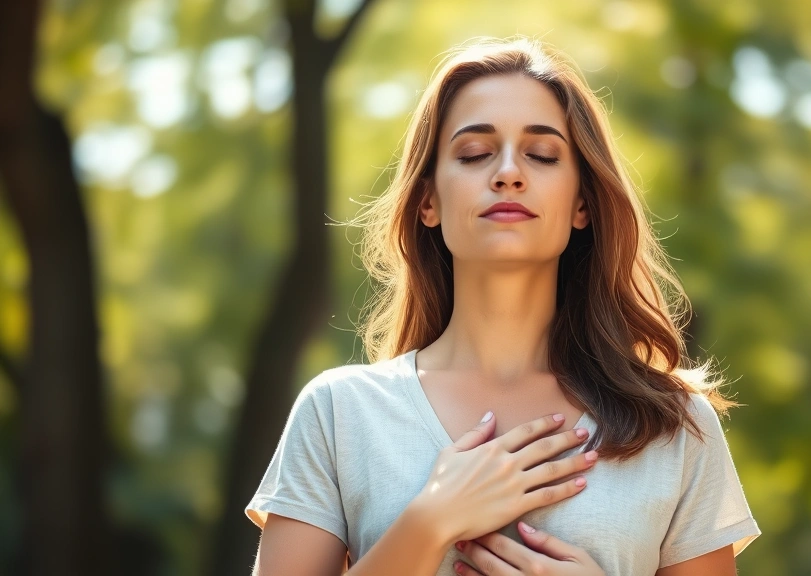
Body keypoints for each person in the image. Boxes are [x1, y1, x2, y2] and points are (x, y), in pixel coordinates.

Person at [244, 37, 760, 576]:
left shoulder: (674, 425)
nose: (509, 172)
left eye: (542, 155)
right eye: (474, 154)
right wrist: (428, 523)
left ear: (582, 203)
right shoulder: (339, 412)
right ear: (428, 201)